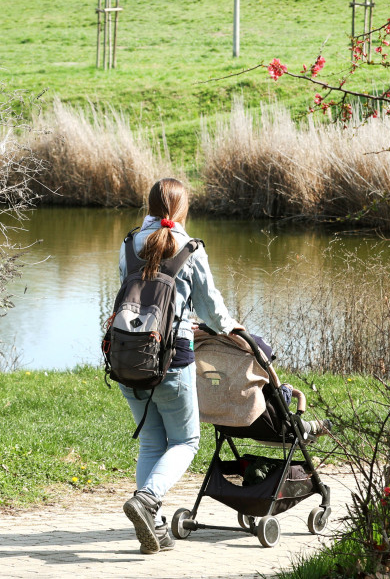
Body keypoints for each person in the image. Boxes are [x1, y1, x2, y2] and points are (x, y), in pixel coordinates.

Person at [118, 177, 244, 555]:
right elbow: (210, 307)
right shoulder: (190, 249)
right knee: (187, 441)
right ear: (182, 208)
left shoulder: (128, 244)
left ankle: (153, 528)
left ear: (150, 205)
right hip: (172, 359)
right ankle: (147, 501)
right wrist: (231, 327)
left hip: (127, 357)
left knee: (153, 441)